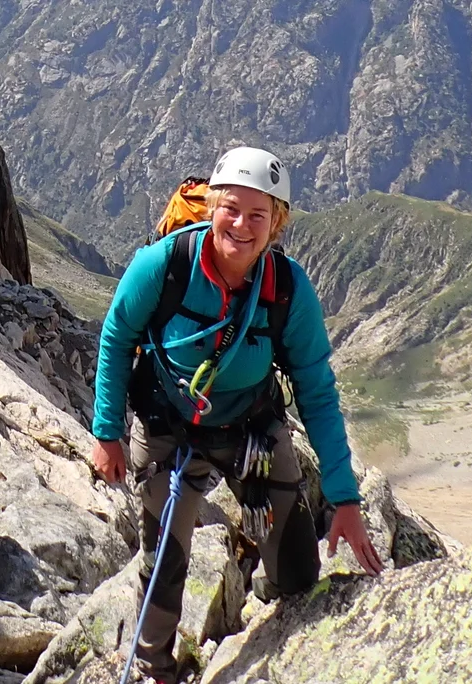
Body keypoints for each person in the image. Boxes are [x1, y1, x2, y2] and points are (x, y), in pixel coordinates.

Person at [90, 146, 382, 683]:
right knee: (163, 561)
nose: (241, 225)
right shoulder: (166, 265)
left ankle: (294, 646)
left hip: (251, 431)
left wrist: (344, 498)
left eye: (258, 214)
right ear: (210, 206)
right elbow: (116, 338)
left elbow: (316, 389)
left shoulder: (287, 290)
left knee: (296, 567)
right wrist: (107, 432)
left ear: (277, 223)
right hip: (166, 428)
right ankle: (155, 669)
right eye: (231, 208)